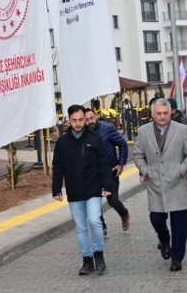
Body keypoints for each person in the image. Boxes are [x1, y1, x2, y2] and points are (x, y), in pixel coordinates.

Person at [134, 98, 187, 272]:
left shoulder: (181, 129)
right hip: (155, 183)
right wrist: (145, 171)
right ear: (152, 114)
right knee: (156, 219)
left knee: (179, 225)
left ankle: (177, 258)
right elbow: (138, 155)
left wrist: (181, 169)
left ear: (171, 112)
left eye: (165, 113)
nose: (162, 117)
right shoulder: (144, 131)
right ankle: (164, 239)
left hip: (176, 182)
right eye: (158, 113)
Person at [53, 105, 114, 275]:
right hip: (74, 191)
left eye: (81, 120)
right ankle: (87, 260)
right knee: (80, 227)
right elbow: (57, 167)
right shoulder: (63, 142)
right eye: (74, 120)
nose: (78, 123)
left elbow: (104, 163)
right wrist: (56, 189)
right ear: (69, 120)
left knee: (95, 221)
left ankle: (99, 255)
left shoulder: (95, 139)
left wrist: (107, 186)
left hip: (93, 189)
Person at [84, 108, 131, 238]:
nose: (90, 121)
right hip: (93, 175)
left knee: (113, 201)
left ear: (96, 116)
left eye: (91, 118)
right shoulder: (83, 134)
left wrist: (120, 164)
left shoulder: (108, 128)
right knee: (95, 203)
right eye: (86, 119)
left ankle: (124, 213)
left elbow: (122, 145)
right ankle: (102, 228)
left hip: (111, 172)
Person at [168, 98, 187, 186]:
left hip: (181, 156)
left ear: (174, 109)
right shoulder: (164, 120)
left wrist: (182, 142)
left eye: (169, 110)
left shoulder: (184, 119)